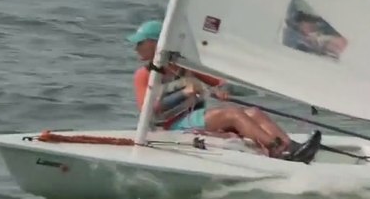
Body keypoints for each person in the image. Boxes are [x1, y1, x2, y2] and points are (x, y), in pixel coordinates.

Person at [128, 20, 318, 162]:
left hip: (195, 118)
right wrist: (183, 93)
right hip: (171, 126)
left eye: (140, 43)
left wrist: (221, 89)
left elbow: (220, 82)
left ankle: (292, 147)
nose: (135, 48)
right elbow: (149, 111)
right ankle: (276, 149)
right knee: (232, 114)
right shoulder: (144, 75)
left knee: (253, 112)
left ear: (157, 43)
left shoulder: (183, 66)